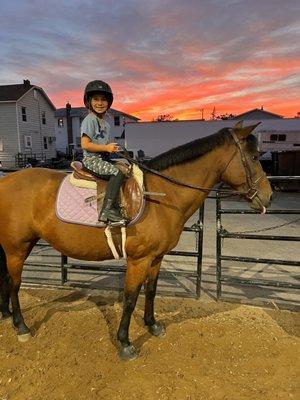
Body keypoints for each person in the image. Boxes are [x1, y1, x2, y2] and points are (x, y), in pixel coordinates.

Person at [81, 80, 126, 226]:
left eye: (103, 99)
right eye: (96, 99)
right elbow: (85, 144)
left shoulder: (105, 124)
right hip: (91, 160)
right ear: (89, 101)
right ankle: (107, 210)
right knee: (116, 173)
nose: (100, 103)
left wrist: (112, 148)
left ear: (109, 102)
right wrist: (106, 148)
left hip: (102, 158)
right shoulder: (90, 120)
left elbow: (102, 144)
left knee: (126, 168)